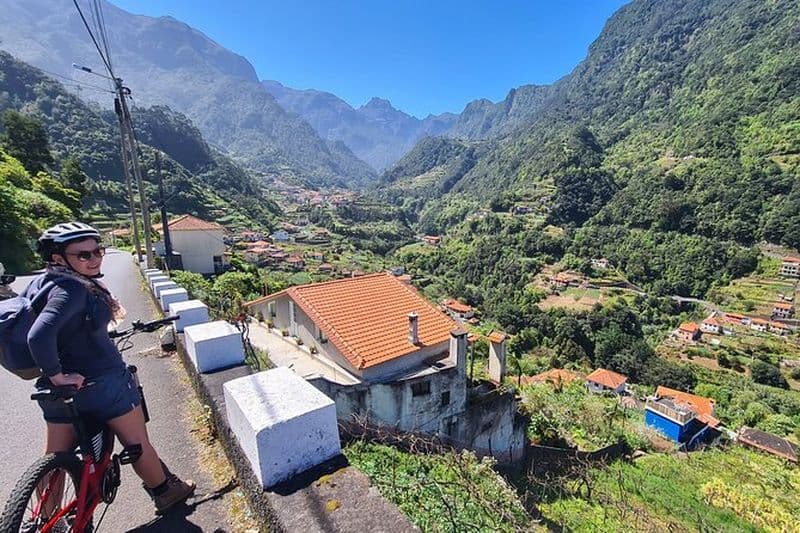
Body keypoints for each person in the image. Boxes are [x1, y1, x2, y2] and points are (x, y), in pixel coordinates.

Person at [25, 222, 195, 514]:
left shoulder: (42, 284)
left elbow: (62, 331)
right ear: (57, 257)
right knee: (137, 442)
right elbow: (38, 336)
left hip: (59, 392)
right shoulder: (72, 289)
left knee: (55, 457)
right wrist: (58, 374)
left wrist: (55, 378)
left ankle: (44, 518)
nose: (94, 259)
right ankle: (165, 491)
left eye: (97, 251)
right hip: (103, 384)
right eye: (83, 255)